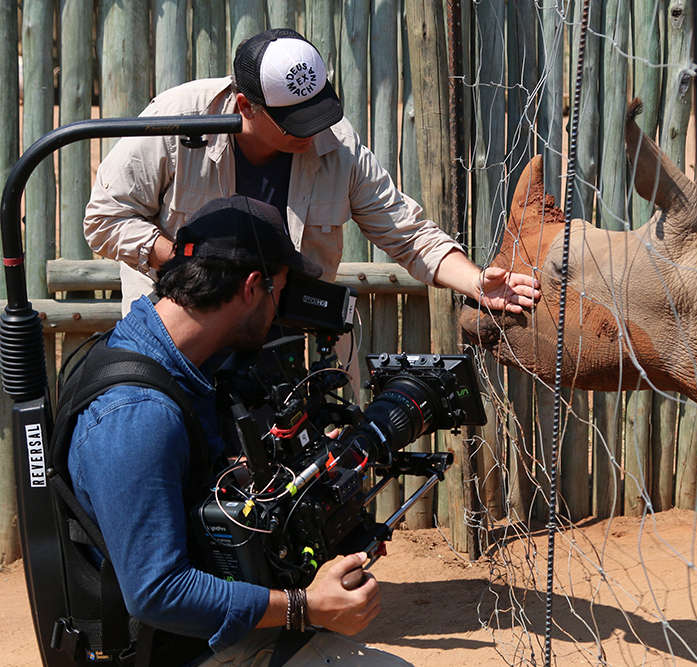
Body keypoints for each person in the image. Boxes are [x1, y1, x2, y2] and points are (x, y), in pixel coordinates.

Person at [67, 195, 407, 667]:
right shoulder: (137, 414)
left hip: (199, 629)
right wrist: (304, 606)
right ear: (251, 287)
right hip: (170, 650)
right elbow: (157, 592)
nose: (279, 312)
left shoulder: (179, 361)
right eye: (279, 292)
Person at [84, 27, 540, 316]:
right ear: (246, 106)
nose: (314, 130)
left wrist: (477, 282)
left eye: (319, 110)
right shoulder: (179, 119)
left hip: (285, 330)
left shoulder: (336, 142)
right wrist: (189, 263)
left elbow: (408, 232)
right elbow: (103, 219)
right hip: (179, 325)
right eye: (295, 121)